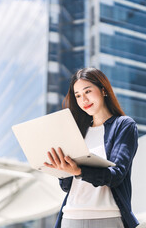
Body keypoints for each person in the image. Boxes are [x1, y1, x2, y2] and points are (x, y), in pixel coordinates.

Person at [44, 67, 139, 228]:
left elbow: (116, 175)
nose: (84, 100)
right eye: (78, 95)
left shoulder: (123, 125)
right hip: (70, 217)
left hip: (108, 217)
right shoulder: (77, 131)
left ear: (103, 90)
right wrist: (61, 169)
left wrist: (79, 171)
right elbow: (67, 186)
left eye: (87, 91)